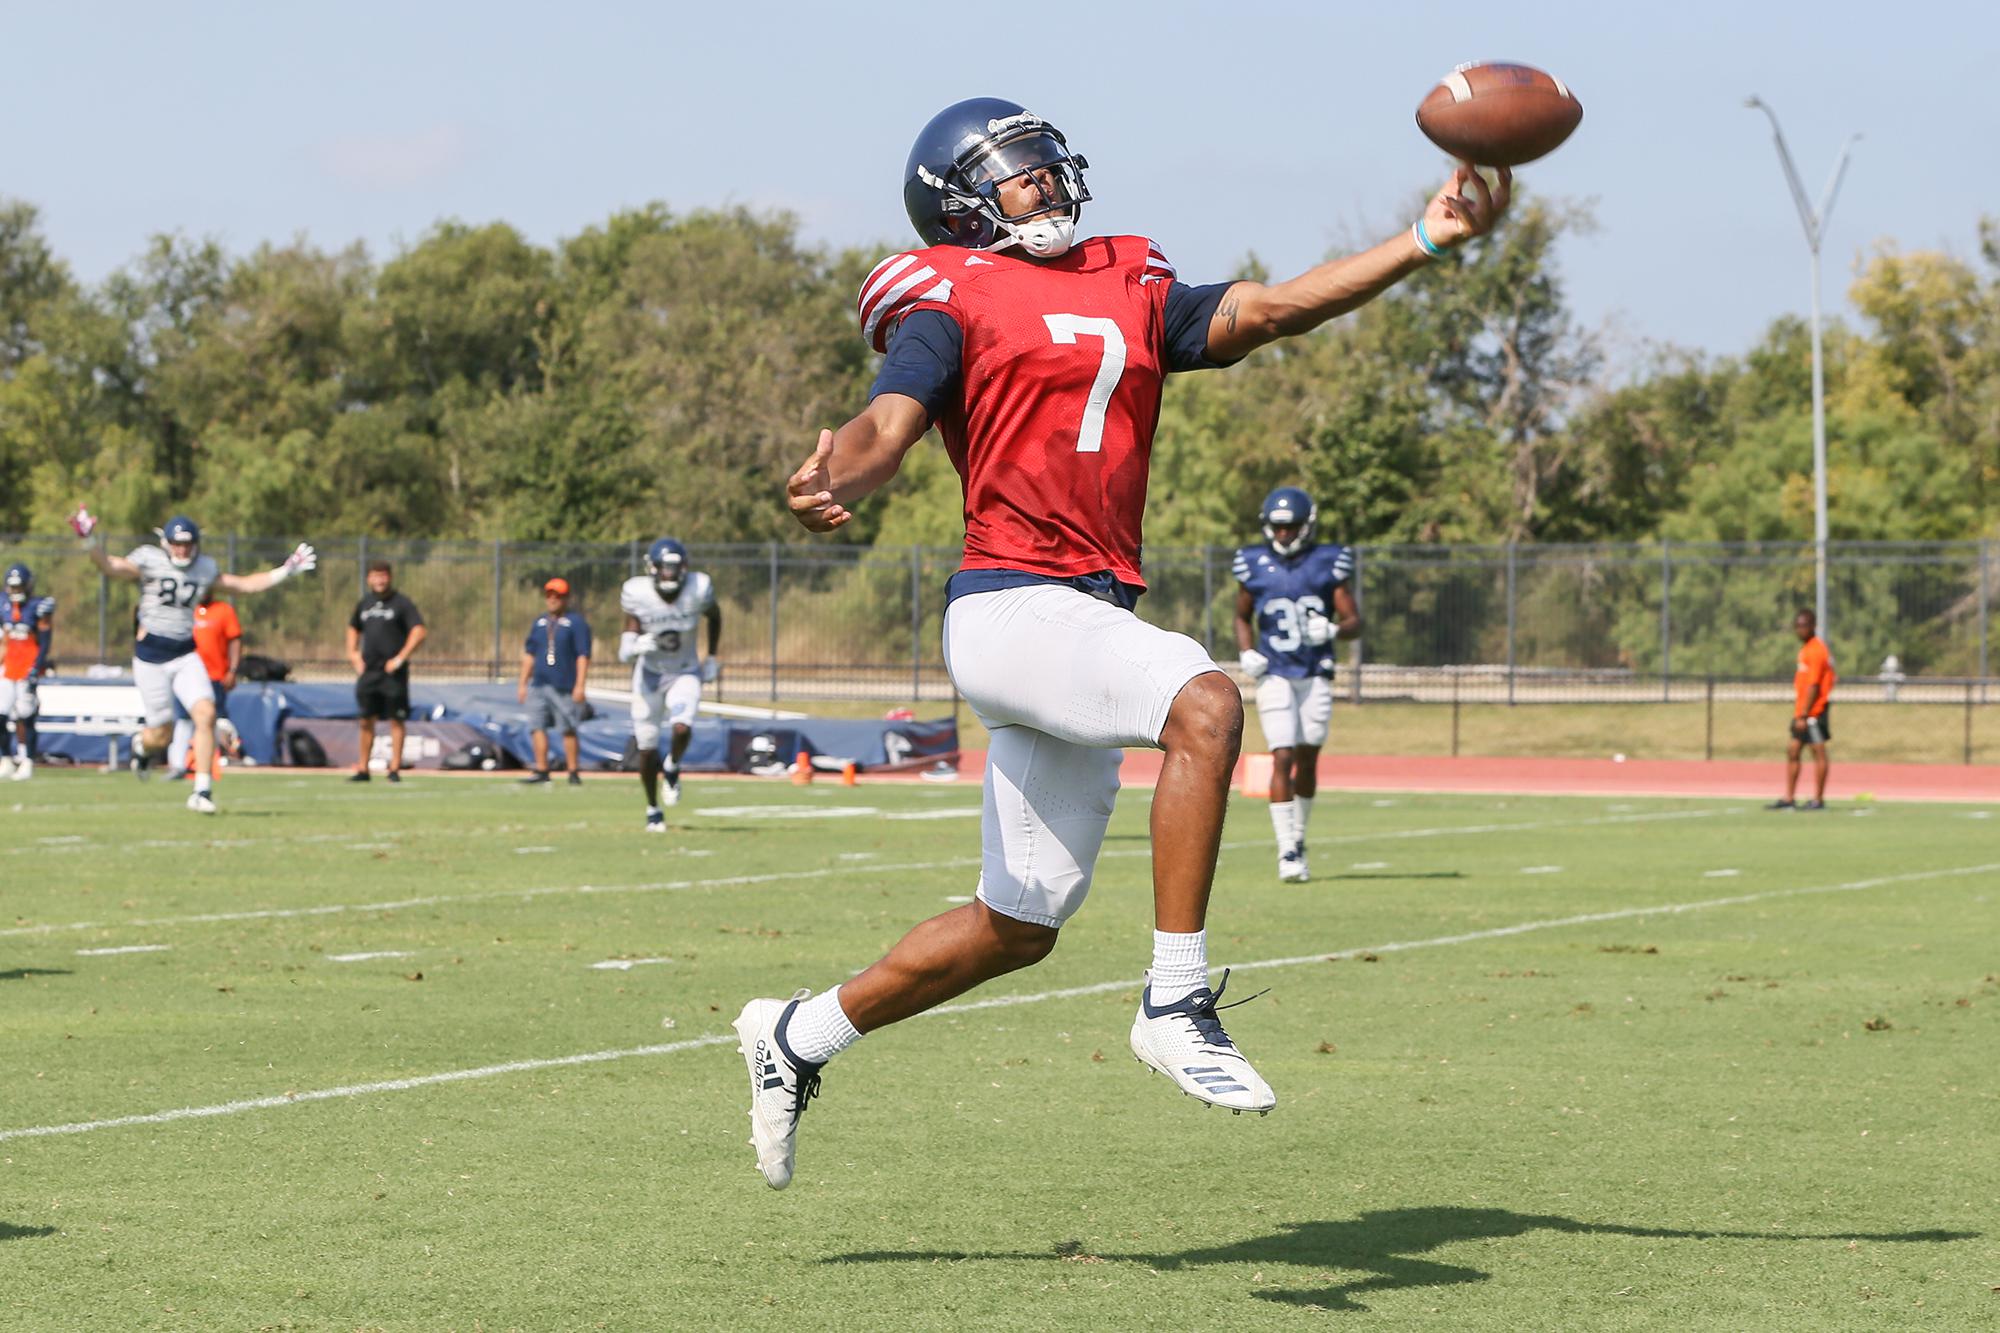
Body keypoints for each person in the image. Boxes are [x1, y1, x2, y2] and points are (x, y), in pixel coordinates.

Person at [736, 96, 1508, 1188]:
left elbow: (1275, 309)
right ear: (960, 204)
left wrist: (1426, 240)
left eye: (1048, 164)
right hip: (1009, 605)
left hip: (1079, 617)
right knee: (1204, 702)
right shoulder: (950, 294)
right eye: (1017, 173)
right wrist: (839, 476)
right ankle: (1175, 997)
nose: (1045, 183)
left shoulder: (1125, 276)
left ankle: (796, 1035)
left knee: (1018, 925)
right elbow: (887, 423)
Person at [70, 509, 315, 813]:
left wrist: (285, 570)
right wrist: (89, 540)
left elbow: (244, 585)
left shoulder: (204, 568)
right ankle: (141, 747)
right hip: (150, 659)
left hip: (185, 653)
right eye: (176, 544)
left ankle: (202, 791)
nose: (182, 550)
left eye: (188, 544)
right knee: (161, 734)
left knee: (206, 714)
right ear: (166, 543)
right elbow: (108, 566)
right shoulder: (149, 559)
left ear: (197, 543)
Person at [1232, 487, 1361, 883]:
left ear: (1306, 526)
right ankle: (1286, 848)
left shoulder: (1327, 562)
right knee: (1282, 754)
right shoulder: (1252, 563)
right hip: (1274, 672)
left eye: (1290, 527)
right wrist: (1245, 650)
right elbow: (1241, 615)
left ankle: (1299, 838)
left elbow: (1356, 621)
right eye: (1278, 527)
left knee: (1307, 758)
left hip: (1316, 672)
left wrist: (1336, 630)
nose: (1283, 534)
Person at [619, 537, 720, 831]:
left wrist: (711, 655)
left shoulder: (698, 589)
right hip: (649, 674)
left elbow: (715, 615)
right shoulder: (637, 593)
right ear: (653, 568)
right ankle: (653, 808)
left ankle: (673, 765)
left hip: (685, 670)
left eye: (675, 568)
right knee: (647, 748)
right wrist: (635, 645)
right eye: (665, 568)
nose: (670, 574)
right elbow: (626, 644)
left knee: (681, 726)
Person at [347, 561, 425, 782]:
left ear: (390, 577)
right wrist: (353, 654)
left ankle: (394, 769)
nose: (379, 580)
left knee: (396, 720)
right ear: (368, 579)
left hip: (392, 674)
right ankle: (363, 768)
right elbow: (353, 627)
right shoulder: (364, 604)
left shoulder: (402, 603)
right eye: (375, 576)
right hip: (369, 671)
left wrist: (400, 658)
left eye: (383, 576)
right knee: (365, 719)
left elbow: (419, 631)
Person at [517, 577, 592, 786]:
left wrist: (580, 684)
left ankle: (573, 771)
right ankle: (542, 769)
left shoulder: (576, 623)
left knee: (567, 727)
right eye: (549, 595)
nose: (552, 599)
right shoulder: (540, 623)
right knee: (536, 726)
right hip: (539, 683)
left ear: (566, 598)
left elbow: (583, 655)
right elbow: (529, 653)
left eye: (557, 595)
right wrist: (522, 683)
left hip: (563, 685)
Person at [168, 589, 243, 780]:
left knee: (212, 720)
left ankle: (215, 763)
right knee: (183, 720)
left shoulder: (224, 610)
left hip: (214, 676)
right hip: (185, 675)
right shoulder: (184, 610)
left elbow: (235, 640)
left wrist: (232, 670)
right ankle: (178, 766)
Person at [1770, 609, 1835, 811]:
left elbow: (1814, 685)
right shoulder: (1806, 649)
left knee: (1818, 752)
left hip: (1813, 712)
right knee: (1793, 750)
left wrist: (1804, 714)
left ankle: (1818, 799)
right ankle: (1789, 798)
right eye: (1797, 626)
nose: (1800, 630)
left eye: (1804, 626)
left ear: (1813, 626)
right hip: (1801, 710)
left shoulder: (1816, 650)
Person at [0, 564, 55, 781]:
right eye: (12, 587)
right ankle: (5, 758)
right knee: (1, 715)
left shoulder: (38, 606)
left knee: (26, 717)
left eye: (19, 586)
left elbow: (45, 642)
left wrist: (36, 668)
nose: (15, 591)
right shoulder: (3, 605)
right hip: (6, 669)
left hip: (26, 669)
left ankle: (27, 760)